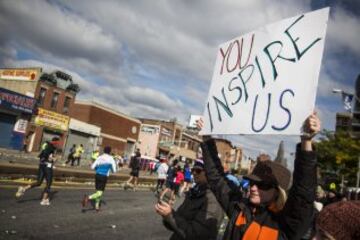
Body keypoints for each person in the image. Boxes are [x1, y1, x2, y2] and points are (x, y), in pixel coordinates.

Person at [197, 112, 321, 240]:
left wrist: (306, 141)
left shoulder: (286, 223)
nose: (253, 188)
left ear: (278, 191)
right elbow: (216, 177)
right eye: (251, 182)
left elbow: (303, 194)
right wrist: (206, 138)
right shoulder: (238, 207)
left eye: (263, 185)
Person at [155, 159, 224, 240]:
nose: (194, 173)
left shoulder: (214, 200)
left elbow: (197, 235)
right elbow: (178, 221)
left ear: (209, 173)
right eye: (193, 170)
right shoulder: (194, 192)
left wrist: (170, 215)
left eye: (198, 170)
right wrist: (167, 215)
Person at [15, 137, 61, 206]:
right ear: (55, 142)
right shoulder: (51, 148)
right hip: (47, 167)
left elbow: (41, 156)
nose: (58, 144)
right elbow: (49, 157)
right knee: (48, 184)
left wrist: (50, 161)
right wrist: (55, 159)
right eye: (58, 143)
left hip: (41, 165)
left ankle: (23, 189)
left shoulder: (47, 145)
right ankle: (44, 200)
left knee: (39, 182)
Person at [82, 146, 117, 211]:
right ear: (110, 151)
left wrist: (99, 168)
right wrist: (110, 169)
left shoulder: (100, 157)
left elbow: (92, 167)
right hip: (103, 176)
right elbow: (114, 170)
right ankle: (88, 198)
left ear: (104, 151)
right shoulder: (111, 158)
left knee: (98, 191)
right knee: (100, 193)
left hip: (97, 175)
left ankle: (97, 207)